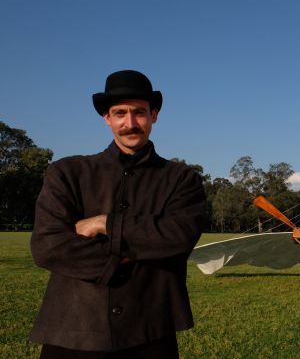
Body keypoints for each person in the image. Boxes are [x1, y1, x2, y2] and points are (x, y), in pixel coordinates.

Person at [30, 70, 206, 358]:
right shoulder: (67, 173)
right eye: (120, 113)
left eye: (139, 112)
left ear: (154, 115)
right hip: (73, 330)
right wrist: (130, 254)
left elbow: (178, 237)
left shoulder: (182, 179)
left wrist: (105, 223)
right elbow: (47, 247)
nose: (130, 123)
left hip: (150, 330)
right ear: (107, 119)